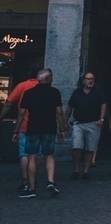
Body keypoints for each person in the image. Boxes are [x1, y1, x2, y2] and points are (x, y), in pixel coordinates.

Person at [15, 69, 66, 198]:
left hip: (33, 128)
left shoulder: (29, 93)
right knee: (49, 155)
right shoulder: (54, 92)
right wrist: (62, 129)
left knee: (32, 157)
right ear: (48, 79)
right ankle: (50, 182)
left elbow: (21, 114)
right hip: (49, 128)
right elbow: (59, 112)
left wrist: (16, 130)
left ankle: (32, 188)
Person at [0, 67, 38, 194]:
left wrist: (1, 116)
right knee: (35, 154)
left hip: (24, 124)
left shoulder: (22, 86)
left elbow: (9, 102)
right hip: (41, 125)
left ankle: (25, 180)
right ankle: (34, 179)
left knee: (24, 154)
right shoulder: (43, 87)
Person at [67, 72, 106, 180]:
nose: (91, 81)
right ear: (83, 80)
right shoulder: (77, 92)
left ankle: (86, 171)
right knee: (76, 147)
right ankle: (76, 169)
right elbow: (70, 107)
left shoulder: (98, 92)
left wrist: (101, 118)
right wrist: (65, 121)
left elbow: (103, 104)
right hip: (78, 123)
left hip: (93, 123)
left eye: (92, 79)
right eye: (88, 79)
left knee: (90, 148)